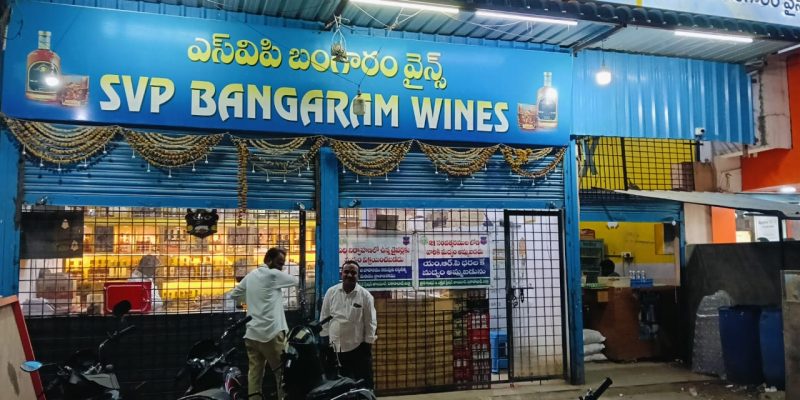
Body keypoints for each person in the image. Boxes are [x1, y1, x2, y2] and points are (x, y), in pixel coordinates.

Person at [230, 247, 298, 400]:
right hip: (271, 334)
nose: (281, 267)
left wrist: (251, 299)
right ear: (268, 260)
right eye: (279, 263)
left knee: (254, 375)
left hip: (252, 335)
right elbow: (295, 280)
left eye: (283, 264)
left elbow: (234, 294)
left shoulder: (251, 275)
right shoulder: (273, 274)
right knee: (282, 375)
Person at [319, 260, 377, 389]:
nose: (349, 275)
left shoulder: (365, 296)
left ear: (358, 276)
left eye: (353, 273)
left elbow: (370, 322)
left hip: (357, 348)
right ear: (341, 274)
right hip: (334, 349)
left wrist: (367, 345)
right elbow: (324, 317)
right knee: (337, 386)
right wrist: (324, 341)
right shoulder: (331, 292)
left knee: (363, 385)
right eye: (346, 272)